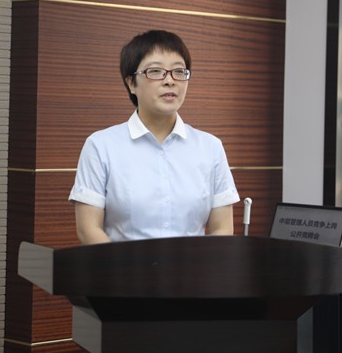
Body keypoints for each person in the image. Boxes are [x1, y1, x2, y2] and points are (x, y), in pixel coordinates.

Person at [68, 29, 240, 244]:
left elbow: (223, 228)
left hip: (192, 266)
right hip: (123, 265)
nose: (170, 81)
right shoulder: (101, 146)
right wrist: (123, 266)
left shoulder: (210, 147)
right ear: (131, 83)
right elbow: (88, 229)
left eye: (179, 71)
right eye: (156, 71)